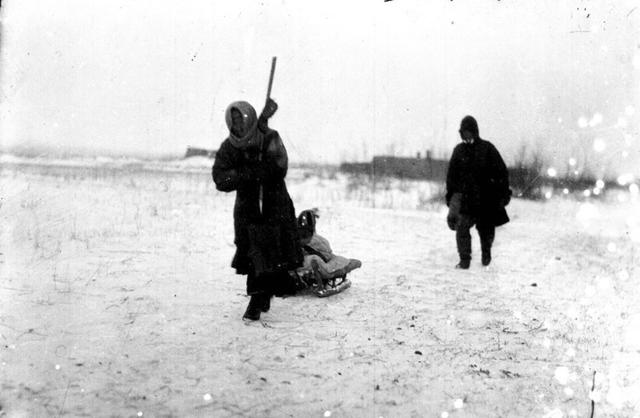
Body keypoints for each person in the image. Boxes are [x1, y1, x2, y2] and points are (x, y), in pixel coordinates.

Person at [212, 98, 302, 320]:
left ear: (249, 118)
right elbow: (220, 178)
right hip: (248, 208)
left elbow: (280, 166)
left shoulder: (269, 138)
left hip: (274, 204)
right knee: (253, 250)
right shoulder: (229, 146)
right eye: (233, 122)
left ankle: (258, 299)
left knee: (271, 250)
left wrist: (262, 169)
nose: (238, 126)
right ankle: (260, 297)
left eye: (241, 120)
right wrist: (245, 175)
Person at [445, 115, 512, 269]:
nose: (466, 135)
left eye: (469, 131)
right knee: (461, 227)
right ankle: (464, 260)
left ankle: (486, 252)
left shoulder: (487, 149)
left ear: (475, 131)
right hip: (467, 201)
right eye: (464, 132)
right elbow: (451, 177)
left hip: (486, 201)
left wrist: (503, 193)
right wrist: (451, 196)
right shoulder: (459, 151)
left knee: (486, 230)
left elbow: (501, 172)